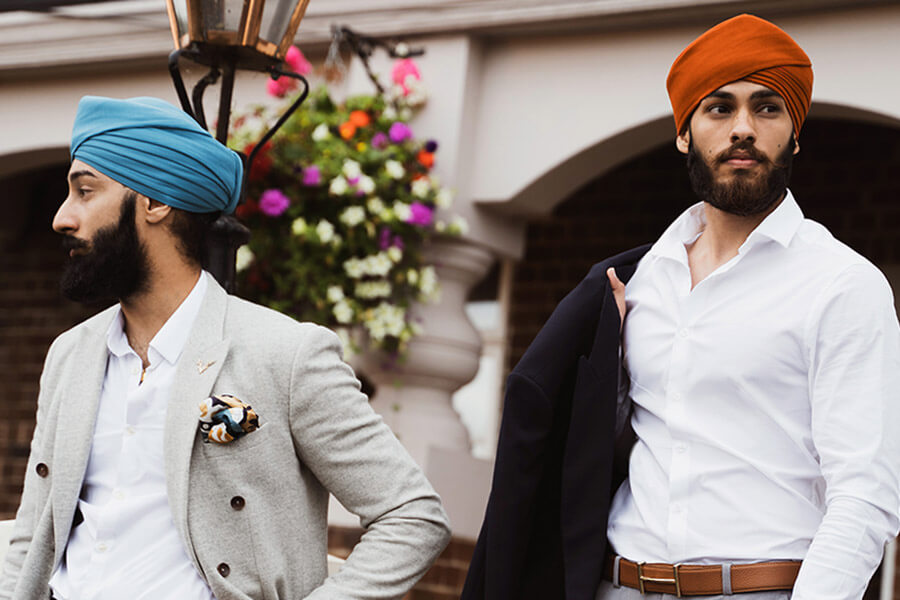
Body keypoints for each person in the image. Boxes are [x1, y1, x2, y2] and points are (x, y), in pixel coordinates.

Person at [462, 13, 900, 600]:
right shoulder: (636, 283)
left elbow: (865, 496)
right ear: (684, 132)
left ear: (795, 133)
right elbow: (599, 443)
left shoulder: (844, 285)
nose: (742, 128)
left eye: (767, 108)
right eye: (719, 108)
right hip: (614, 584)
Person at [0, 96, 450, 600]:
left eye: (86, 191)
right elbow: (34, 530)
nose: (63, 217)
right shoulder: (70, 355)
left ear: (155, 202)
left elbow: (411, 514)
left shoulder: (286, 354)